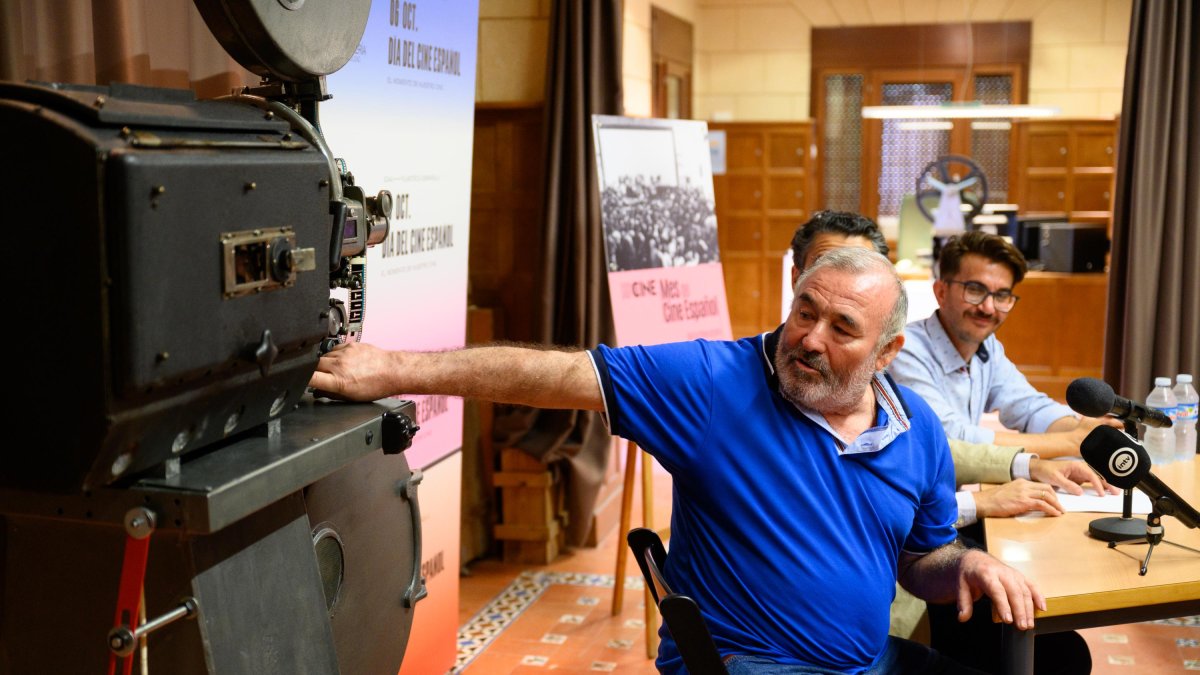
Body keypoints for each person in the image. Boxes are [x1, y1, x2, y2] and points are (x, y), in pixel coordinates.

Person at [312, 247, 1042, 674]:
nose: (809, 338)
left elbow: (921, 560)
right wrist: (392, 367)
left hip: (864, 662)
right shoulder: (716, 384)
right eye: (803, 310)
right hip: (751, 664)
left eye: (842, 327)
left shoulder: (917, 437)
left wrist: (966, 565)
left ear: (888, 353)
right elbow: (557, 376)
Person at [889, 230, 1116, 674]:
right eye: (975, 289)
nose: (989, 307)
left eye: (1002, 295)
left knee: (1050, 621)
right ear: (941, 289)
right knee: (1057, 653)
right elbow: (956, 438)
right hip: (918, 542)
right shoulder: (908, 349)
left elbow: (1028, 406)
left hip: (957, 515)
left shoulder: (986, 347)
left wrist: (1085, 426)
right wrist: (1071, 444)